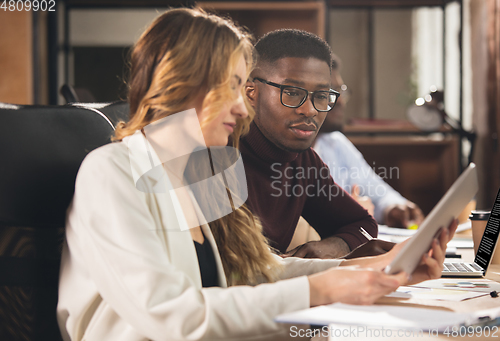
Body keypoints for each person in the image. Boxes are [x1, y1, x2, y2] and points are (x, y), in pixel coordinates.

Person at [57, 9, 453, 341]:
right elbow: (171, 315)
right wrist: (319, 290)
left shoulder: (204, 171)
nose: (243, 110)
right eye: (232, 88)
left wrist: (376, 269)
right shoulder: (111, 173)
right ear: (185, 84)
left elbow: (253, 271)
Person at [242, 29, 382, 258]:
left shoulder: (303, 160)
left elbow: (363, 225)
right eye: (292, 93)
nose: (309, 110)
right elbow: (233, 267)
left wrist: (328, 248)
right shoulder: (221, 153)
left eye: (321, 95)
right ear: (251, 93)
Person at [314, 54, 425, 228]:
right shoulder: (289, 152)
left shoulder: (335, 143)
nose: (341, 101)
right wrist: (349, 213)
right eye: (329, 93)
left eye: (341, 91)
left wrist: (393, 208)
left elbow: (378, 192)